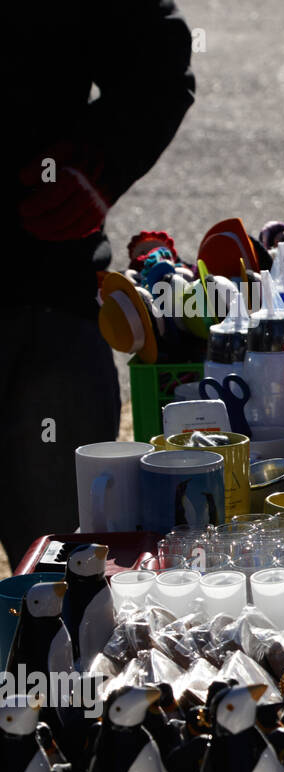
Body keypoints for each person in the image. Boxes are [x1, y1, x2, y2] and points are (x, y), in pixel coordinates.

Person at [6, 1, 195, 567]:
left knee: (65, 579)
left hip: (44, 298)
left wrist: (100, 163)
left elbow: (158, 53)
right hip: (46, 303)